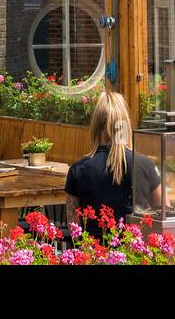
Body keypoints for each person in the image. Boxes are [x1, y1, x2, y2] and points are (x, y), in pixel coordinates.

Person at [65, 92, 161, 238]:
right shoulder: (143, 165)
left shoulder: (78, 170)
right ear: (125, 124)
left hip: (92, 254)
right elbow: (162, 215)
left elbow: (74, 228)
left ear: (95, 126)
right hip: (133, 253)